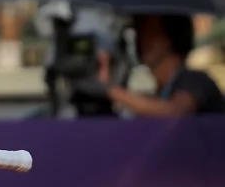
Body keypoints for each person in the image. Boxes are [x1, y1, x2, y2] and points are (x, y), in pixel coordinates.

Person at [93, 14, 225, 116]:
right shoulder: (161, 92)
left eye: (149, 31)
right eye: (139, 31)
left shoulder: (194, 80)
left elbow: (176, 111)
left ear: (170, 36)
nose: (141, 40)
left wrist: (112, 91)